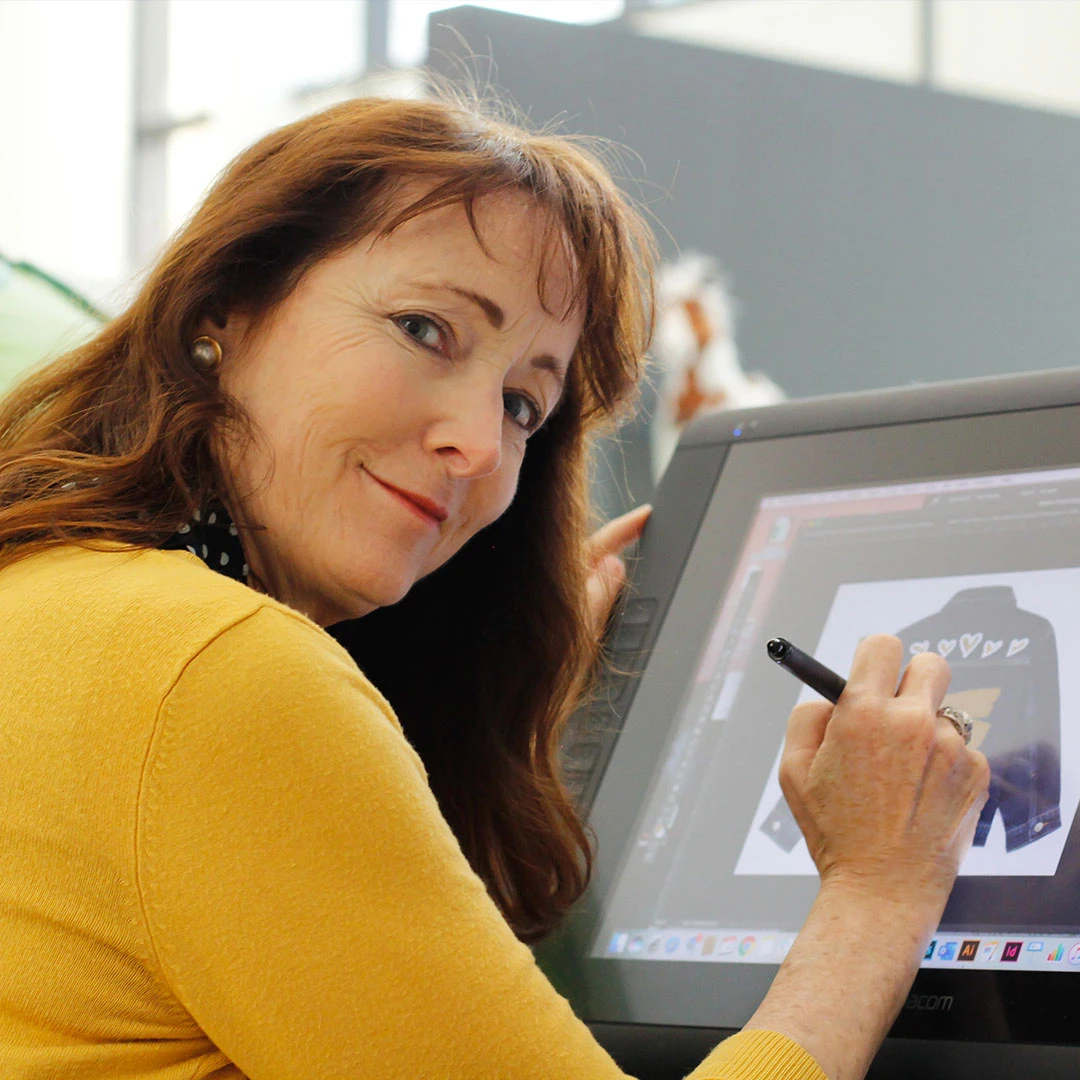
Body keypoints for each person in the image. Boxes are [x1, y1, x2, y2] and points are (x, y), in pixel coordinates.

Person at [0, 95, 988, 1080]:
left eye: (522, 405)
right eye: (424, 329)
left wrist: (522, 715)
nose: (478, 444)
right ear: (227, 306)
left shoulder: (58, 596)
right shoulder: (225, 675)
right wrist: (877, 893)